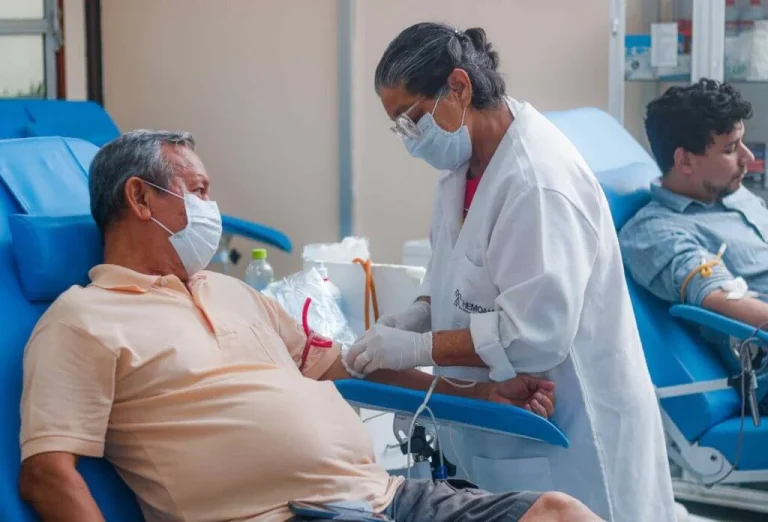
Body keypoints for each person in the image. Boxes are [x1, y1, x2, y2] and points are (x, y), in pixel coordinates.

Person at [17, 130, 604, 522]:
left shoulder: (231, 291)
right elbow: (47, 473)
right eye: (197, 192)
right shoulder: (83, 320)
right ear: (140, 199)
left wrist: (479, 389)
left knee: (559, 513)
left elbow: (335, 364)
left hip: (387, 498)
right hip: (285, 513)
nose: (211, 209)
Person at [344, 22, 676, 522]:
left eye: (410, 118)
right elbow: (452, 279)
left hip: (575, 433)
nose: (408, 138)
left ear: (458, 87)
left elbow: (534, 335)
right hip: (504, 432)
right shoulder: (463, 167)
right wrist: (415, 315)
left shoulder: (537, 182)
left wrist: (419, 348)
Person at [619, 79, 768, 410]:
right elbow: (719, 296)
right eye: (730, 149)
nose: (748, 158)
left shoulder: (732, 195)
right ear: (685, 160)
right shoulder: (656, 232)